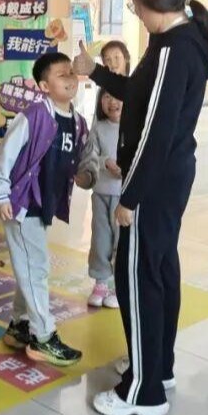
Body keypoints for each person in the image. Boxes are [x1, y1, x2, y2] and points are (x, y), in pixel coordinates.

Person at [73, 0, 208, 415]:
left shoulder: (173, 51)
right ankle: (158, 365)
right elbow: (141, 96)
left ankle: (142, 390)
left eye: (137, 6)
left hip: (155, 181)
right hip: (168, 175)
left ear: (155, 3)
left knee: (137, 276)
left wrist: (130, 197)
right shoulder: (176, 42)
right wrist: (95, 71)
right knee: (159, 268)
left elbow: (156, 132)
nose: (136, 14)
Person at [0, 52, 96, 367]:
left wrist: (87, 176)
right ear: (44, 86)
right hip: (22, 204)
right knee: (36, 268)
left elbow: (81, 161)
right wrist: (0, 193)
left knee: (30, 265)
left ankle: (19, 325)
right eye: (61, 74)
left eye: (71, 73)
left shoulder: (77, 121)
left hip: (44, 203)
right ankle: (43, 336)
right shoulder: (33, 116)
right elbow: (3, 157)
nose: (69, 78)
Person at [85, 90, 123, 309]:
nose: (112, 101)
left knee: (121, 241)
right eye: (107, 96)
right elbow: (90, 155)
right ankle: (101, 283)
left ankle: (118, 285)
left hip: (124, 197)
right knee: (100, 240)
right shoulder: (98, 127)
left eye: (117, 96)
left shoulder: (135, 127)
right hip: (100, 194)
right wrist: (105, 161)